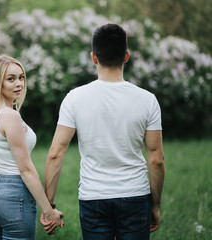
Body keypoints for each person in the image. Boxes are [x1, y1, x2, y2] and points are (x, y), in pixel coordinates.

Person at [40, 24, 165, 239]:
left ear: (93, 58)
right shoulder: (147, 100)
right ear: (126, 56)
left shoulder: (74, 98)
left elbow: (55, 153)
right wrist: (154, 205)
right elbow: (156, 160)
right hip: (135, 196)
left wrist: (48, 205)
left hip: (93, 197)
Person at [0, 54, 64, 239]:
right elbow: (26, 169)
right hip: (13, 196)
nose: (19, 83)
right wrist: (48, 211)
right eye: (11, 79)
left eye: (21, 77)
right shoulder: (10, 116)